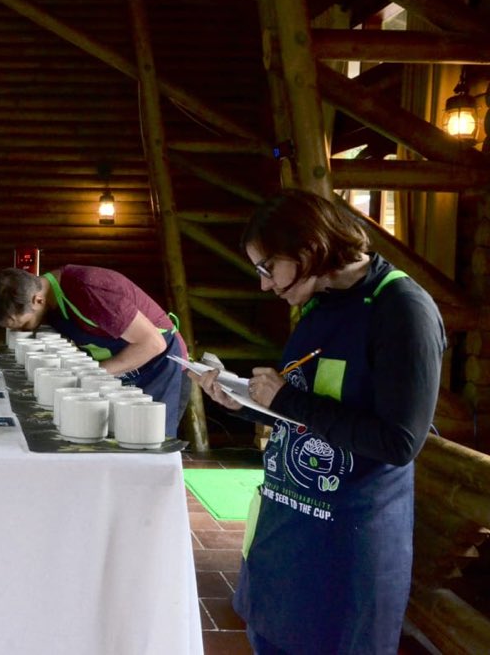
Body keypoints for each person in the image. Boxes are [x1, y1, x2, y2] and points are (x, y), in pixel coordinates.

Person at [189, 189, 445, 654]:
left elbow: (398, 442)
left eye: (268, 267)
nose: (265, 284)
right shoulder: (321, 301)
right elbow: (306, 407)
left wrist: (288, 400)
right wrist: (241, 401)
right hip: (285, 529)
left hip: (348, 547)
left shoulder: (403, 308)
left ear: (308, 249)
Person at [0, 265, 189, 437]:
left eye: (24, 325)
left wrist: (89, 376)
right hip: (128, 370)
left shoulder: (89, 289)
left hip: (161, 366)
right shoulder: (50, 302)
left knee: (146, 447)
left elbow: (153, 343)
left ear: (38, 300)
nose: (22, 332)